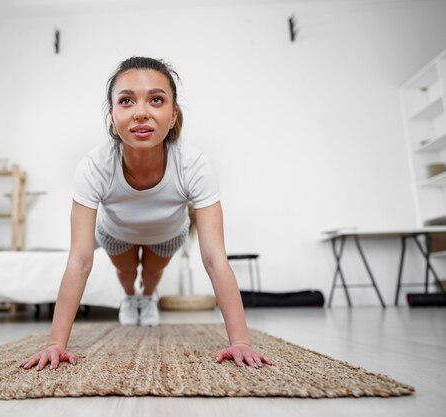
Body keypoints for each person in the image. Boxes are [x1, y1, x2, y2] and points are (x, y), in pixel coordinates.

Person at [20, 56, 273, 372]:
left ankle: (147, 298)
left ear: (172, 115)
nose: (141, 112)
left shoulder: (195, 165)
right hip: (115, 233)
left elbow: (214, 259)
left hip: (169, 233)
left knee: (151, 275)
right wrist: (55, 344)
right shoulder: (93, 167)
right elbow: (80, 259)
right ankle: (132, 299)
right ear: (112, 115)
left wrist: (241, 342)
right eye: (126, 101)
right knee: (128, 275)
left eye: (156, 99)